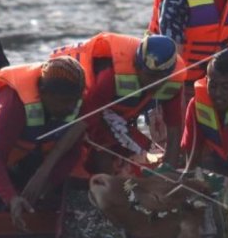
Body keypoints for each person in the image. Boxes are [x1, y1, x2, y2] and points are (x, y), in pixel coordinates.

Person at [0, 56, 87, 228]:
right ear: (43, 93)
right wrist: (12, 198)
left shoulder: (73, 103)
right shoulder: (14, 105)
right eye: (64, 102)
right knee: (6, 214)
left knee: (55, 201)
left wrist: (49, 183)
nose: (70, 108)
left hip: (21, 154)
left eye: (74, 101)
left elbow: (73, 152)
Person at [51, 33, 185, 173]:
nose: (153, 82)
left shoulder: (173, 84)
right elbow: (82, 122)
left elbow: (174, 129)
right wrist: (41, 175)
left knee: (147, 156)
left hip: (116, 115)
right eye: (149, 75)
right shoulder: (109, 78)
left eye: (160, 78)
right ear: (136, 66)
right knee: (101, 155)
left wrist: (169, 172)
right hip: (78, 103)